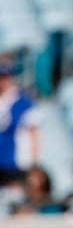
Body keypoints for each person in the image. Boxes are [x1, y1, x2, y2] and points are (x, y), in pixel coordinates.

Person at [0, 59, 40, 187]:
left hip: (16, 164)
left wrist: (33, 163)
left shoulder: (23, 102)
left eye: (4, 77)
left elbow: (34, 134)